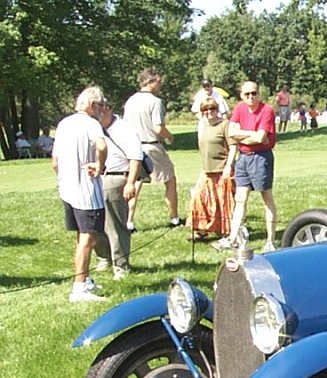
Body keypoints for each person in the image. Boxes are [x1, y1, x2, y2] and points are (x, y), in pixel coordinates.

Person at [52, 86, 108, 303]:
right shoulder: (91, 124)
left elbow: (55, 162)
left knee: (80, 235)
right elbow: (102, 146)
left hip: (67, 189)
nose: (102, 110)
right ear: (92, 105)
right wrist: (99, 166)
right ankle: (79, 288)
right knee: (89, 237)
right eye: (101, 105)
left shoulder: (64, 124)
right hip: (87, 191)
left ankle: (84, 278)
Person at [221, 80, 278, 252]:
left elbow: (261, 138)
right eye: (247, 94)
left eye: (254, 93)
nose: (251, 97)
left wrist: (244, 136)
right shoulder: (239, 108)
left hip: (261, 157)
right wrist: (251, 135)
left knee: (266, 198)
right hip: (243, 158)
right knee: (240, 198)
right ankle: (233, 238)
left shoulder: (267, 110)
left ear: (259, 94)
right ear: (241, 96)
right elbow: (231, 133)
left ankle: (270, 240)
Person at [123, 67, 181, 230]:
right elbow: (158, 128)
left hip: (134, 147)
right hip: (151, 145)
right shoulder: (155, 102)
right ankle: (174, 218)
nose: (160, 85)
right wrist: (169, 136)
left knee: (135, 182)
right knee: (170, 179)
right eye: (159, 82)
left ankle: (128, 222)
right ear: (150, 81)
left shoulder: (131, 101)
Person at [95, 101, 142, 281]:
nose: (98, 114)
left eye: (101, 109)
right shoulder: (94, 128)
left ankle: (121, 266)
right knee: (97, 223)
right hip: (98, 177)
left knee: (115, 225)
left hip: (116, 178)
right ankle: (104, 257)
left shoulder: (124, 128)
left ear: (108, 109)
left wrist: (130, 183)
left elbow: (135, 158)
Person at [189, 97, 237, 241]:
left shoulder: (225, 124)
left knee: (222, 202)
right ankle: (202, 230)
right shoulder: (203, 126)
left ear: (217, 110)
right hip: (207, 170)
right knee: (199, 198)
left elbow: (233, 147)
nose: (209, 112)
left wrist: (228, 166)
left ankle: (226, 231)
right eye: (205, 109)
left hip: (222, 170)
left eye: (212, 109)